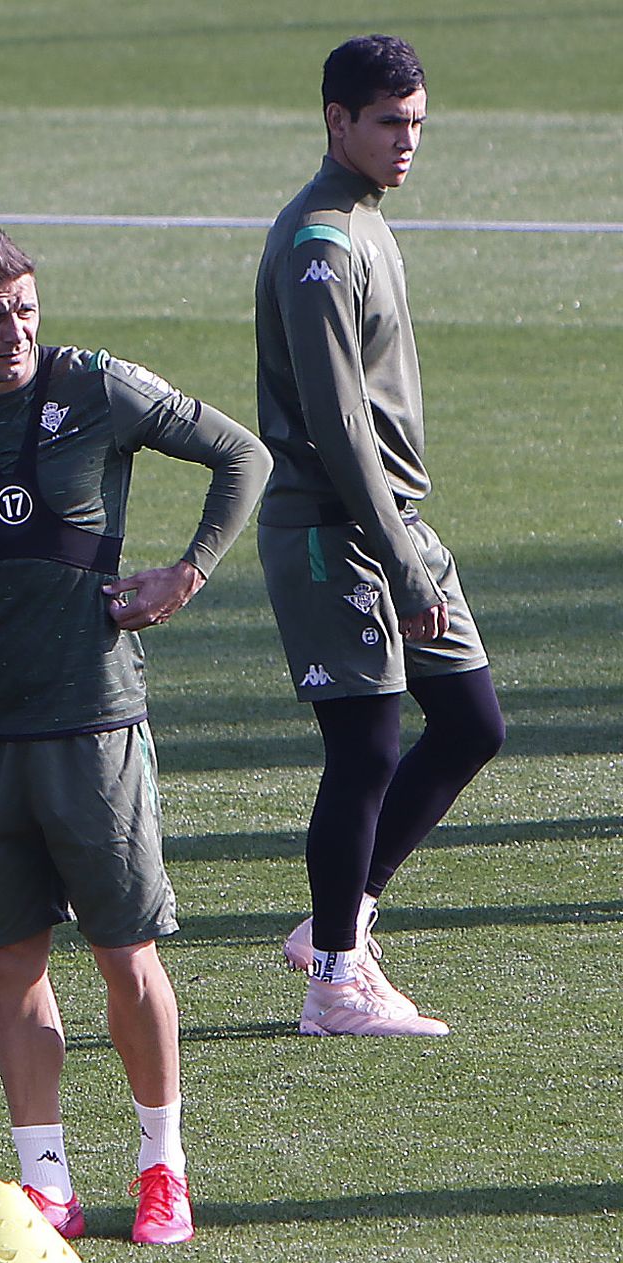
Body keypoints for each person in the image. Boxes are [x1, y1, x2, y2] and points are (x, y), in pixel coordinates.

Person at [0, 230, 270, 1244]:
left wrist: (186, 570)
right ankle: (47, 1181)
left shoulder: (95, 389)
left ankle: (161, 1167)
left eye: (26, 308)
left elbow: (240, 453)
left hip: (94, 723)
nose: (14, 331)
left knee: (125, 953)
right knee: (12, 964)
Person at [255, 35, 505, 1038]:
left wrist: (406, 542)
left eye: (416, 124)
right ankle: (333, 984)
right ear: (337, 121)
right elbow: (337, 423)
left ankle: (337, 918)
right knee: (362, 751)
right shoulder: (319, 242)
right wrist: (400, 561)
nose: (406, 142)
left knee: (471, 721)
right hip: (335, 531)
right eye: (388, 123)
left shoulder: (362, 222)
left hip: (392, 522)